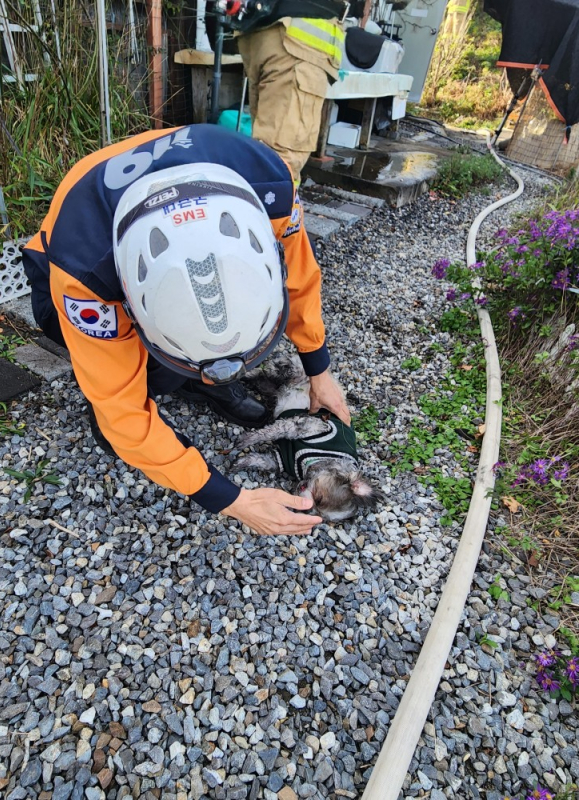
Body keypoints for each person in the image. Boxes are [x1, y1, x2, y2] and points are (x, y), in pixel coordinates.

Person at [22, 123, 350, 537]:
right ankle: (160, 377)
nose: (224, 371)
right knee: (123, 389)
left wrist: (319, 370)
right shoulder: (85, 273)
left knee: (190, 354)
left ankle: (192, 378)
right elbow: (124, 417)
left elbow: (299, 277)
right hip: (60, 271)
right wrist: (230, 499)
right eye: (203, 365)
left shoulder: (270, 183)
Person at [234, 1, 350, 183]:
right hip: (299, 38)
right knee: (281, 162)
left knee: (264, 153)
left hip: (263, 29)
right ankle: (274, 201)